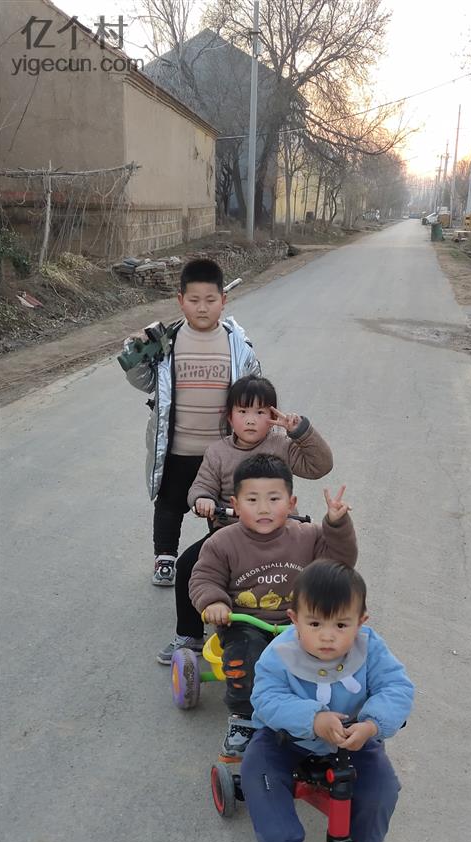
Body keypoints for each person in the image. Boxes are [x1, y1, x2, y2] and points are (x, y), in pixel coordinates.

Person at [240, 560, 414, 842]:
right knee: (258, 773)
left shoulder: (370, 648)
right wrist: (313, 719)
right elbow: (266, 698)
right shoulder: (280, 654)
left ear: (361, 622)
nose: (327, 636)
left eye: (341, 624)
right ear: (294, 619)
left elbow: (396, 687)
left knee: (382, 786)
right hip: (287, 739)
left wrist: (372, 725)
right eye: (315, 623)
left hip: (353, 738)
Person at [188, 454, 357, 758]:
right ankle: (243, 718)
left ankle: (325, 710)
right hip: (246, 622)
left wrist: (336, 524)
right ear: (235, 504)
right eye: (252, 500)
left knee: (333, 651)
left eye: (274, 499)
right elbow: (204, 577)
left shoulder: (308, 536)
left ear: (291, 503)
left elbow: (340, 563)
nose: (263, 508)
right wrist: (213, 601)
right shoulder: (222, 542)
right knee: (246, 659)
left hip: (300, 622)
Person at [156, 374, 333, 663]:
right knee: (189, 564)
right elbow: (201, 486)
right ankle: (189, 634)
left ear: (273, 417)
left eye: (260, 412)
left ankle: (313, 622)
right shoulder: (218, 452)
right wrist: (202, 499)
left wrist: (300, 432)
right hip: (230, 533)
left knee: (317, 566)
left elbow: (320, 466)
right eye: (243, 411)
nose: (251, 420)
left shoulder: (282, 446)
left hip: (279, 530)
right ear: (230, 416)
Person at [123, 258, 260, 586]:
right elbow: (144, 380)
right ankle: (165, 557)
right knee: (169, 505)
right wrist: (136, 351)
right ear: (180, 300)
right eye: (194, 300)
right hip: (177, 449)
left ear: (223, 301)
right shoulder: (166, 344)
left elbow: (253, 387)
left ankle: (223, 562)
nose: (202, 308)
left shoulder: (237, 345)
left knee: (223, 510)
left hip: (222, 452)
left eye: (210, 300)